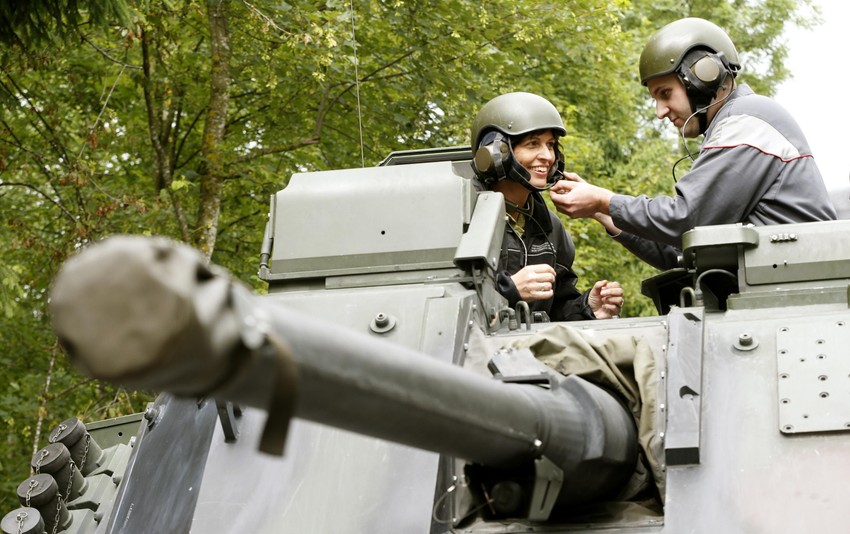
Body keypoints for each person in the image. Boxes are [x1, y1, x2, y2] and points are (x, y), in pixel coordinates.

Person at [549, 17, 837, 270]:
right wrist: (601, 211)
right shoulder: (736, 124)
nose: (660, 112)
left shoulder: (746, 121)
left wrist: (605, 199)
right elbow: (683, 252)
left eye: (665, 93)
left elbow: (688, 220)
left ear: (703, 78)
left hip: (795, 288)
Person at [470, 92, 623, 321]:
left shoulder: (550, 227)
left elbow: (556, 308)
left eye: (550, 145)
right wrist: (508, 290)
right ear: (495, 152)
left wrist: (587, 308)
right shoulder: (464, 215)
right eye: (533, 144)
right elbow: (440, 300)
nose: (547, 156)